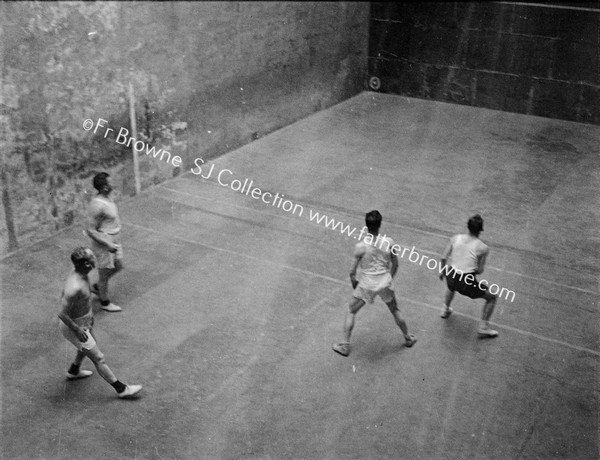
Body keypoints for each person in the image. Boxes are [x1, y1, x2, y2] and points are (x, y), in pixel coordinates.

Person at [58, 247, 142, 398]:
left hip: (83, 321)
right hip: (75, 327)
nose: (94, 259)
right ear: (85, 263)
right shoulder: (74, 287)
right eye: (91, 258)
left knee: (88, 347)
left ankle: (73, 370)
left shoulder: (83, 273)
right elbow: (62, 314)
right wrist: (78, 330)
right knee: (98, 358)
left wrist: (87, 317)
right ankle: (121, 389)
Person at [332, 210, 417, 357]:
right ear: (380, 225)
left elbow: (352, 272)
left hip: (366, 284)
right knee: (395, 310)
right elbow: (395, 265)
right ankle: (408, 338)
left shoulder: (360, 247)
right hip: (385, 283)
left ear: (366, 226)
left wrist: (355, 285)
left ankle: (345, 345)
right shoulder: (389, 242)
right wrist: (388, 279)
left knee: (352, 311)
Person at [439, 214, 498, 337]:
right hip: (466, 282)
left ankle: (445, 309)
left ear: (468, 227)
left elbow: (443, 257)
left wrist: (442, 272)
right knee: (492, 297)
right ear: (480, 230)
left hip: (450, 275)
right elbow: (479, 270)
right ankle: (483, 327)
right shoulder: (483, 247)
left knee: (451, 287)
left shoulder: (455, 238)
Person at [86, 172, 123, 312]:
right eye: (110, 182)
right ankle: (105, 302)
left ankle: (97, 288)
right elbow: (90, 229)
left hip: (114, 238)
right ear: (105, 187)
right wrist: (107, 244)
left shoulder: (108, 197)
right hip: (104, 242)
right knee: (104, 273)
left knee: (118, 265)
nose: (113, 183)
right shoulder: (97, 205)